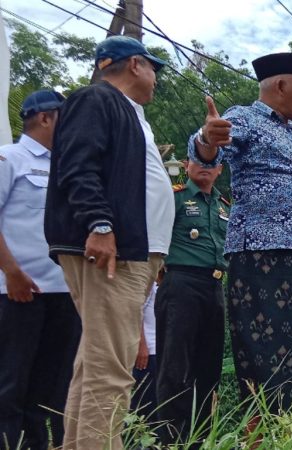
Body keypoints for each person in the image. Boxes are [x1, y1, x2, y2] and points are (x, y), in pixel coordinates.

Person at [44, 36, 171, 450]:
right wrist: (99, 224)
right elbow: (77, 165)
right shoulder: (96, 99)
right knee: (112, 369)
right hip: (112, 251)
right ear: (135, 64)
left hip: (132, 250)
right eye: (154, 68)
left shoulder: (132, 115)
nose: (156, 79)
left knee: (96, 362)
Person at [188, 52, 292, 414]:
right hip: (264, 255)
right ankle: (274, 427)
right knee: (273, 348)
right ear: (281, 86)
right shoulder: (245, 118)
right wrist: (206, 139)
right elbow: (209, 151)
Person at [0, 90, 81, 450]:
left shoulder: (68, 166)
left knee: (49, 389)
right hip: (18, 291)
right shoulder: (9, 158)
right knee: (11, 384)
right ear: (46, 118)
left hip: (64, 293)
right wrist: (11, 272)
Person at [155, 159, 228, 444]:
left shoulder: (223, 206)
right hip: (181, 282)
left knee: (208, 368)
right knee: (175, 367)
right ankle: (170, 438)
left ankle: (199, 439)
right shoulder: (174, 197)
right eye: (200, 161)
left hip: (214, 285)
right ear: (187, 164)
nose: (206, 168)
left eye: (214, 164)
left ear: (221, 169)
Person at [131, 280, 159, 423]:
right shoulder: (148, 280)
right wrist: (141, 346)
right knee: (143, 411)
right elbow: (136, 311)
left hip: (162, 353)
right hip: (147, 354)